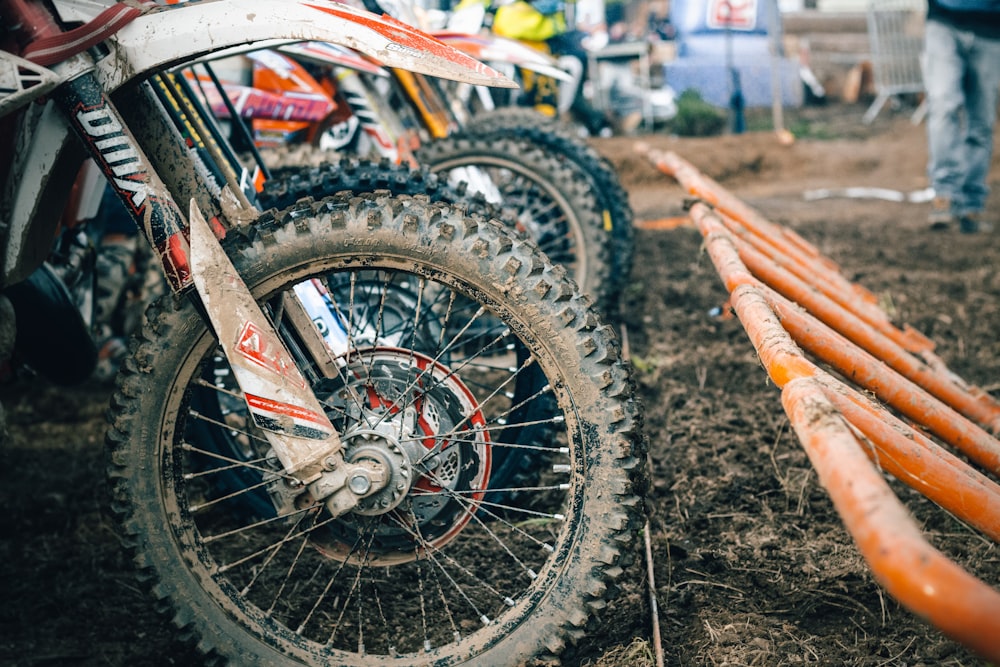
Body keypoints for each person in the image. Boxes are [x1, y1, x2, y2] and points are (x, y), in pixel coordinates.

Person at [922, 0, 1000, 234]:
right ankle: (944, 194)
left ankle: (971, 205)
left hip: (991, 29)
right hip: (944, 20)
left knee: (982, 121)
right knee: (943, 105)